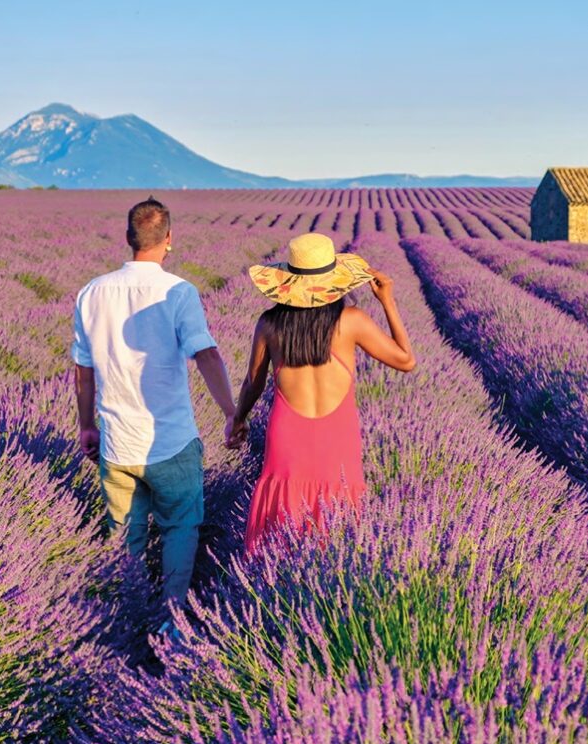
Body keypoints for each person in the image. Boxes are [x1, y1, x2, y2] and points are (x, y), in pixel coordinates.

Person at [72, 196, 238, 630]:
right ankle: (170, 620)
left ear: (128, 238)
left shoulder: (92, 292)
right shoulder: (178, 291)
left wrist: (87, 426)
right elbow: (207, 356)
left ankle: (126, 614)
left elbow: (82, 371)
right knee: (180, 528)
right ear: (169, 240)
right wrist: (230, 412)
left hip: (117, 441)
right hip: (170, 441)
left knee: (124, 533)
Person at [228, 232, 415, 555]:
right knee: (337, 525)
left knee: (279, 530)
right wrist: (388, 301)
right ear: (333, 282)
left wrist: (238, 419)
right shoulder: (351, 321)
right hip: (337, 439)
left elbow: (253, 383)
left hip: (287, 439)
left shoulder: (270, 324)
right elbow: (406, 360)